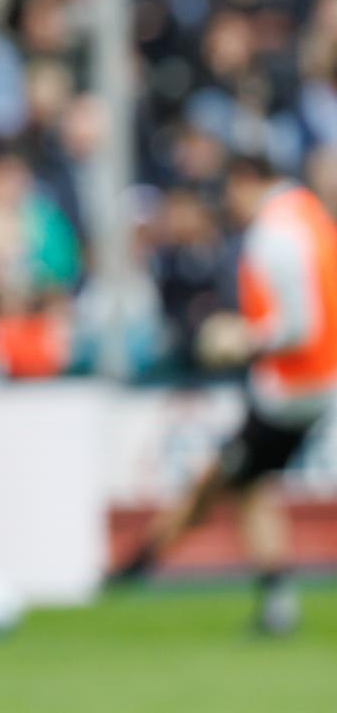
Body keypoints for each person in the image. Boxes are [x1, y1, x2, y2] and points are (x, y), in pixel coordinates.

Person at [107, 153, 337, 635]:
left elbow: (301, 326)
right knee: (244, 482)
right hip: (309, 384)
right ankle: (151, 560)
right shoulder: (310, 215)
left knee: (228, 482)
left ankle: (143, 560)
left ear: (245, 180)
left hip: (294, 390)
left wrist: (243, 338)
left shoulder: (275, 233)